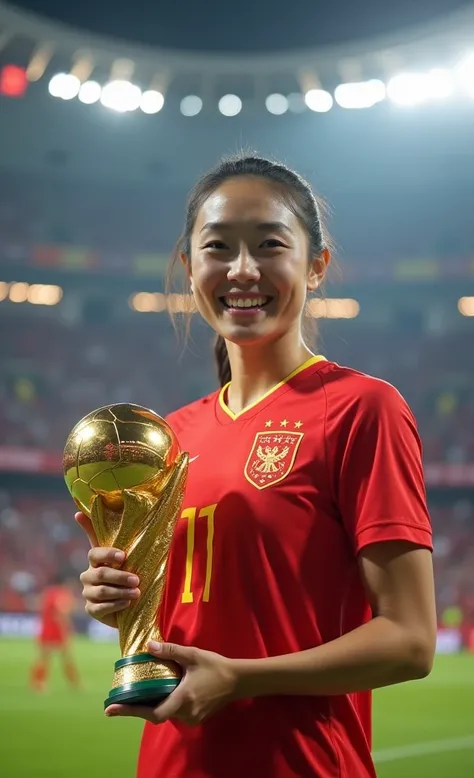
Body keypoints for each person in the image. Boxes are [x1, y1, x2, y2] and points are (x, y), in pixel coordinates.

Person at [77, 154, 436, 778]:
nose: (243, 270)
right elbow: (189, 628)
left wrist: (241, 680)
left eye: (270, 244)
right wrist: (122, 604)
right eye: (218, 248)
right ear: (191, 269)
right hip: (169, 764)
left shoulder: (360, 409)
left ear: (316, 265)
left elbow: (409, 641)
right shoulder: (168, 438)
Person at [30, 572, 81, 692]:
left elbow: (39, 605)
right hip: (57, 630)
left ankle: (38, 682)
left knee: (44, 657)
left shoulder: (48, 592)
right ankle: (73, 683)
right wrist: (68, 628)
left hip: (46, 628)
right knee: (65, 657)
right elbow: (62, 612)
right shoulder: (62, 594)